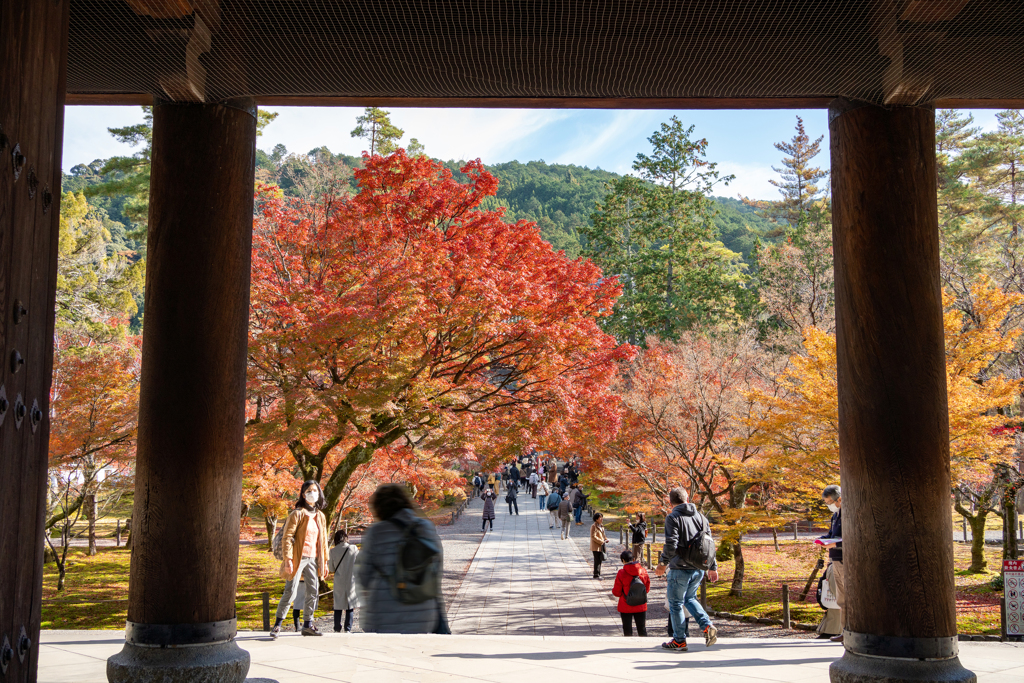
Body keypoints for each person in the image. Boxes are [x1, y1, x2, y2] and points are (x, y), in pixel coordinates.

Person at [355, 483, 446, 633]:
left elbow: (364, 578)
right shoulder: (426, 527)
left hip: (384, 612)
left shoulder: (376, 532)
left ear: (379, 508)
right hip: (423, 609)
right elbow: (436, 568)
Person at [656, 487, 719, 652]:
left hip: (679, 568)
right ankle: (707, 626)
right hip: (699, 568)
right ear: (687, 498)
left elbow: (671, 543)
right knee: (690, 598)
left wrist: (663, 564)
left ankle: (679, 640)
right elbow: (709, 545)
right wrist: (712, 567)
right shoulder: (702, 518)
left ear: (670, 502)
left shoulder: (673, 517)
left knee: (675, 603)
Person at [271, 480, 329, 637]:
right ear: (303, 495)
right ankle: (277, 625)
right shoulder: (297, 514)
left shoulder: (320, 516)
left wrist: (324, 561)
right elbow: (287, 537)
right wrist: (288, 558)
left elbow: (323, 540)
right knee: (290, 591)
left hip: (314, 558)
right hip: (298, 557)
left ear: (319, 493)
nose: (312, 493)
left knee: (313, 591)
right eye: (309, 491)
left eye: (315, 490)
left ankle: (308, 625)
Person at [816, 484, 844, 643]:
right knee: (842, 599)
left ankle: (848, 631)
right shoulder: (836, 516)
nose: (828, 506)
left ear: (838, 498)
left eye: (829, 502)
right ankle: (844, 631)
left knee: (846, 598)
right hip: (834, 559)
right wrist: (823, 539)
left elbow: (852, 537)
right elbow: (832, 534)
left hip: (844, 558)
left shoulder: (848, 513)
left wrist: (835, 544)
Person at [612, 550, 650, 636]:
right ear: (633, 559)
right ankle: (644, 646)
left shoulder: (621, 573)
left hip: (626, 605)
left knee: (627, 630)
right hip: (640, 604)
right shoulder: (643, 571)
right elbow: (646, 589)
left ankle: (628, 647)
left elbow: (617, 592)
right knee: (642, 629)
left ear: (623, 561)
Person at [329, 529, 359, 633]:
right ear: (346, 537)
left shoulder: (332, 551)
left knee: (338, 606)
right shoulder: (354, 548)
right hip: (351, 580)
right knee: (349, 606)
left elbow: (331, 569)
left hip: (339, 581)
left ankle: (337, 628)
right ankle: (348, 629)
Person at [590, 512, 608, 578]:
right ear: (596, 519)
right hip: (596, 546)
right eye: (600, 517)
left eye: (602, 517)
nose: (601, 519)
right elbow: (593, 536)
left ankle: (598, 573)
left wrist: (606, 539)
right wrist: (601, 541)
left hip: (601, 545)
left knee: (600, 559)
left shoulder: (601, 526)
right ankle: (596, 574)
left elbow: (603, 535)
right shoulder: (593, 526)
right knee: (597, 560)